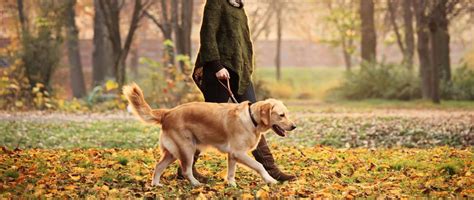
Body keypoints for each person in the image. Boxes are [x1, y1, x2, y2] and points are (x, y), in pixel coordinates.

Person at [184, 0, 296, 182]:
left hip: (240, 72)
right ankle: (186, 168)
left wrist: (246, 68)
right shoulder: (216, 2)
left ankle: (270, 168)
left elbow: (242, 42)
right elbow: (207, 35)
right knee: (207, 122)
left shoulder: (239, 7)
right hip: (220, 72)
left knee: (258, 117)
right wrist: (216, 65)